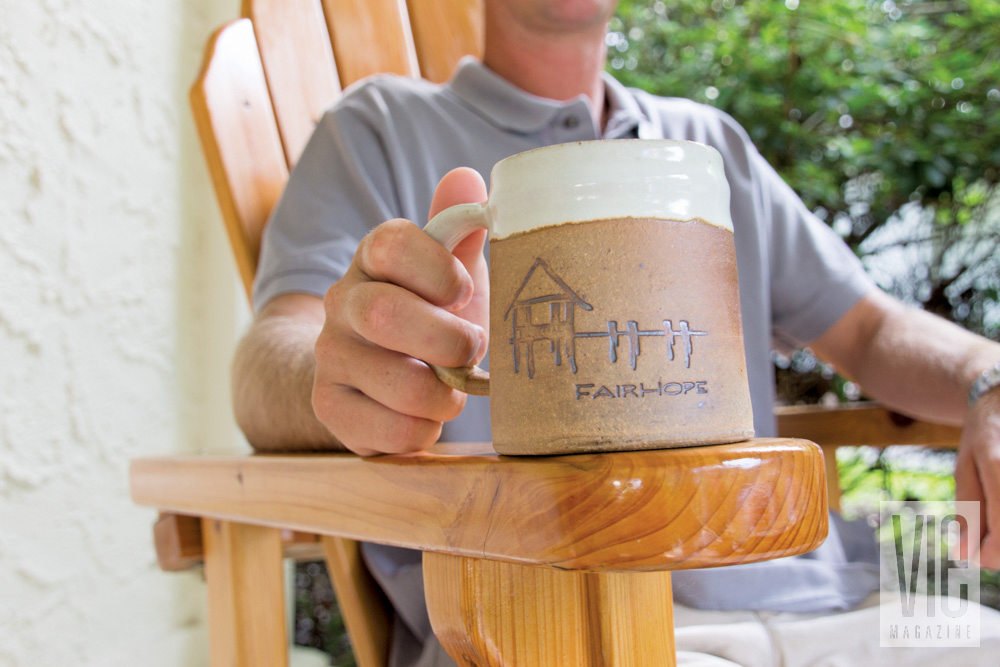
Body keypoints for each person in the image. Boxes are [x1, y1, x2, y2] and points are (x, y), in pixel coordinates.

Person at [232, 1, 1000, 664]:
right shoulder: (379, 130)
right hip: (551, 627)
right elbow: (270, 360)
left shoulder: (711, 145)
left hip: (843, 603)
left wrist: (987, 379)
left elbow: (867, 329)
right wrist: (344, 371)